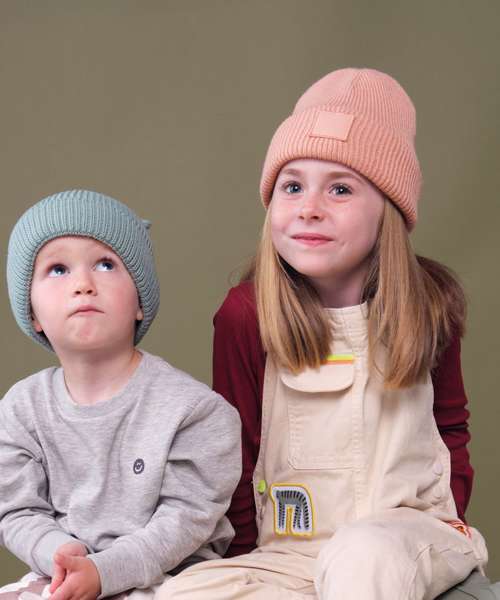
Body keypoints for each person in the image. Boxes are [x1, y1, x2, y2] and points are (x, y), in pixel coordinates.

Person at [157, 69, 492, 599]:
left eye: (340, 188)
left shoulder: (430, 303)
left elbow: (451, 426)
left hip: (409, 537)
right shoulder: (248, 314)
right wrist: (245, 564)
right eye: (292, 186)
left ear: (388, 209)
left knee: (363, 554)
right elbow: (237, 451)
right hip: (290, 554)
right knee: (179, 592)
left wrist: (448, 513)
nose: (309, 208)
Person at [0, 190, 241, 600]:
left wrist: (102, 571)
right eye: (58, 269)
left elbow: (184, 521)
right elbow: (17, 510)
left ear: (139, 302)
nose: (83, 285)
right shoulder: (20, 410)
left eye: (106, 264)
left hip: (173, 579)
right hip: (63, 574)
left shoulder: (195, 411)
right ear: (33, 314)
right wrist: (58, 552)